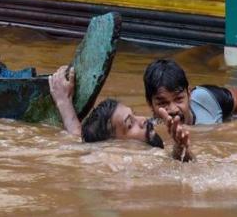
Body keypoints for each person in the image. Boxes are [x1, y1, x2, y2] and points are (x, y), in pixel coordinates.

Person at [49, 65, 194, 162]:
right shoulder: (123, 163)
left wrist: (64, 101)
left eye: (135, 115)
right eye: (130, 125)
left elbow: (77, 136)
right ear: (113, 146)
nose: (143, 119)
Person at [143, 59, 237, 126]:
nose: (173, 109)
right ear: (150, 104)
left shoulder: (208, 99)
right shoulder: (148, 132)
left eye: (179, 99)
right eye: (162, 103)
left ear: (189, 94)